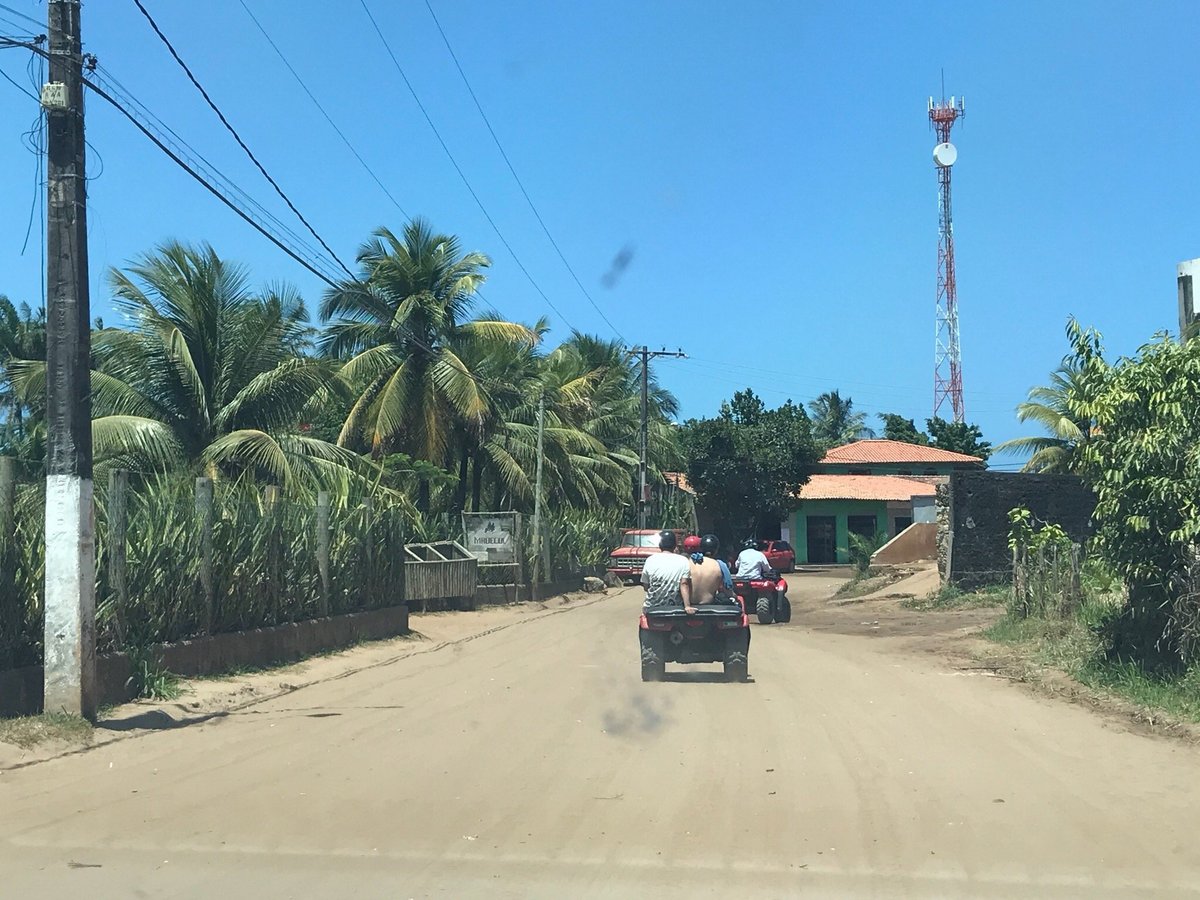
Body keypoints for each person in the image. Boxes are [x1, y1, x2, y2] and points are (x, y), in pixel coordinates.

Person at [641, 530, 694, 614]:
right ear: (675, 545)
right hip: (675, 607)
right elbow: (684, 584)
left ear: (660, 545)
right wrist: (687, 606)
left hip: (651, 607)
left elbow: (646, 587)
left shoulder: (650, 560)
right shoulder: (683, 560)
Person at [688, 533, 734, 604]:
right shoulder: (720, 565)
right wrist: (735, 596)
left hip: (690, 604)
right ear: (716, 550)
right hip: (709, 604)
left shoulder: (689, 562)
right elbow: (728, 590)